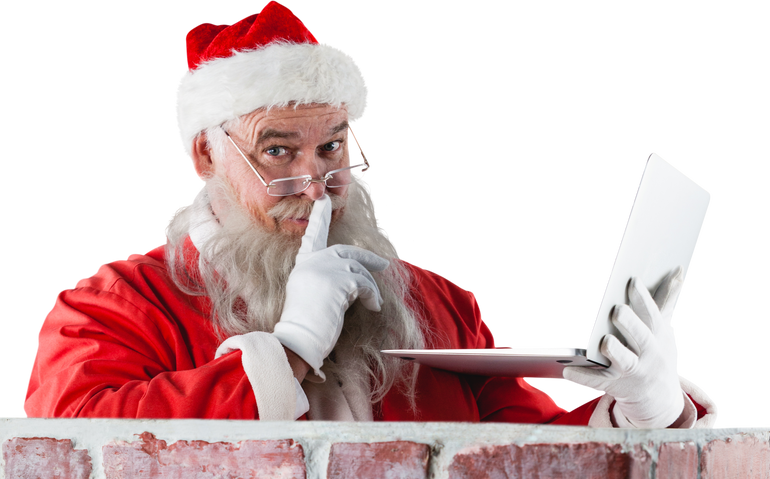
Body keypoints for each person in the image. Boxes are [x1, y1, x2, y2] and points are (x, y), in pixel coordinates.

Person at [23, 1, 718, 427]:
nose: (316, 180)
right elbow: (64, 449)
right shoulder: (115, 305)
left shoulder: (440, 303)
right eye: (276, 150)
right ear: (206, 156)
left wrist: (641, 407)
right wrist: (287, 351)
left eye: (332, 147)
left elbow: (533, 461)